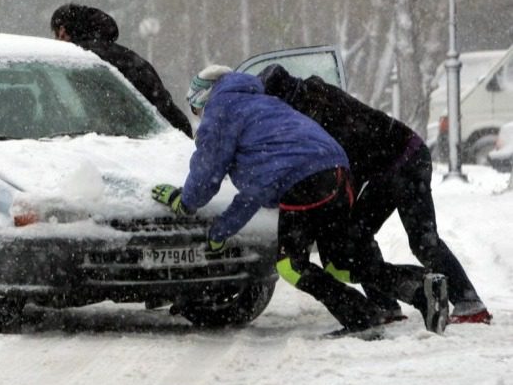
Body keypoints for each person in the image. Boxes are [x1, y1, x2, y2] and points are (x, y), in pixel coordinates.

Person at [152, 65, 446, 333]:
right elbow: (259, 186)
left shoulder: (222, 108)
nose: (198, 116)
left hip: (304, 181)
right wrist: (223, 228)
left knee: (290, 265)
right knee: (342, 263)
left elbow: (207, 173)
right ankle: (421, 288)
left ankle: (362, 318)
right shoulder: (265, 103)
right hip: (338, 171)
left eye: (195, 107)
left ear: (204, 96)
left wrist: (186, 203)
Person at [258, 64, 491, 325]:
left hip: (407, 158)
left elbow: (344, 165)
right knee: (356, 235)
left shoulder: (318, 113)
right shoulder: (311, 98)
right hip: (384, 169)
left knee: (423, 240)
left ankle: (470, 303)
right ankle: (384, 305)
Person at [50, 3, 194, 137]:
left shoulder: (79, 62)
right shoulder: (128, 57)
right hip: (167, 134)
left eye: (56, 35)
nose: (56, 41)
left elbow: (99, 116)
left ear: (62, 31)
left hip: (123, 141)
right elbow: (163, 105)